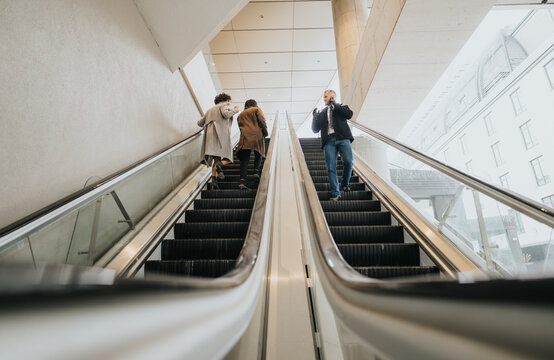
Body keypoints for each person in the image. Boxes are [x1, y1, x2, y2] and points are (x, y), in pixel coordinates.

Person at [311, 89, 354, 201]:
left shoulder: (341, 107)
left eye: (326, 96)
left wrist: (334, 104)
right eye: (324, 97)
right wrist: (315, 117)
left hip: (343, 138)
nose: (324, 98)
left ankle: (344, 183)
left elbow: (349, 115)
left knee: (348, 162)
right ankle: (336, 193)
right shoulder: (322, 113)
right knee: (331, 168)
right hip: (328, 141)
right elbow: (315, 130)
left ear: (332, 96)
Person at [198, 92, 239, 189]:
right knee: (228, 157)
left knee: (215, 158)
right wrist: (235, 110)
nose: (229, 103)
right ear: (224, 100)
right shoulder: (223, 106)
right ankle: (219, 165)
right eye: (228, 101)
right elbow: (226, 114)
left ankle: (214, 181)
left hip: (209, 137)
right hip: (220, 135)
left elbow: (200, 123)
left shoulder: (209, 110)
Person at [235, 99, 268, 190]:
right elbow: (262, 121)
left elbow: (240, 127)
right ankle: (256, 172)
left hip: (245, 136)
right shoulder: (256, 109)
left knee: (245, 159)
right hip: (256, 134)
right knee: (259, 153)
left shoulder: (240, 115)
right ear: (254, 104)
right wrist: (265, 132)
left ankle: (242, 181)